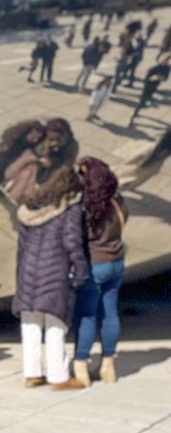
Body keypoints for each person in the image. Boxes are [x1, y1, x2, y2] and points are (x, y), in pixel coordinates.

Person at [13, 165, 90, 390]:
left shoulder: (31, 207)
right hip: (55, 271)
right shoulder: (69, 209)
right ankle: (59, 376)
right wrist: (82, 269)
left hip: (28, 270)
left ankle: (32, 374)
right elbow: (72, 242)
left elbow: (21, 247)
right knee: (56, 324)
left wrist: (20, 275)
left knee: (31, 324)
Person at [72, 158, 127, 385]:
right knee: (110, 313)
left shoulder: (88, 208)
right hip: (117, 262)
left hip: (95, 265)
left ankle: (81, 366)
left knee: (87, 314)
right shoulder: (118, 202)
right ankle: (108, 366)